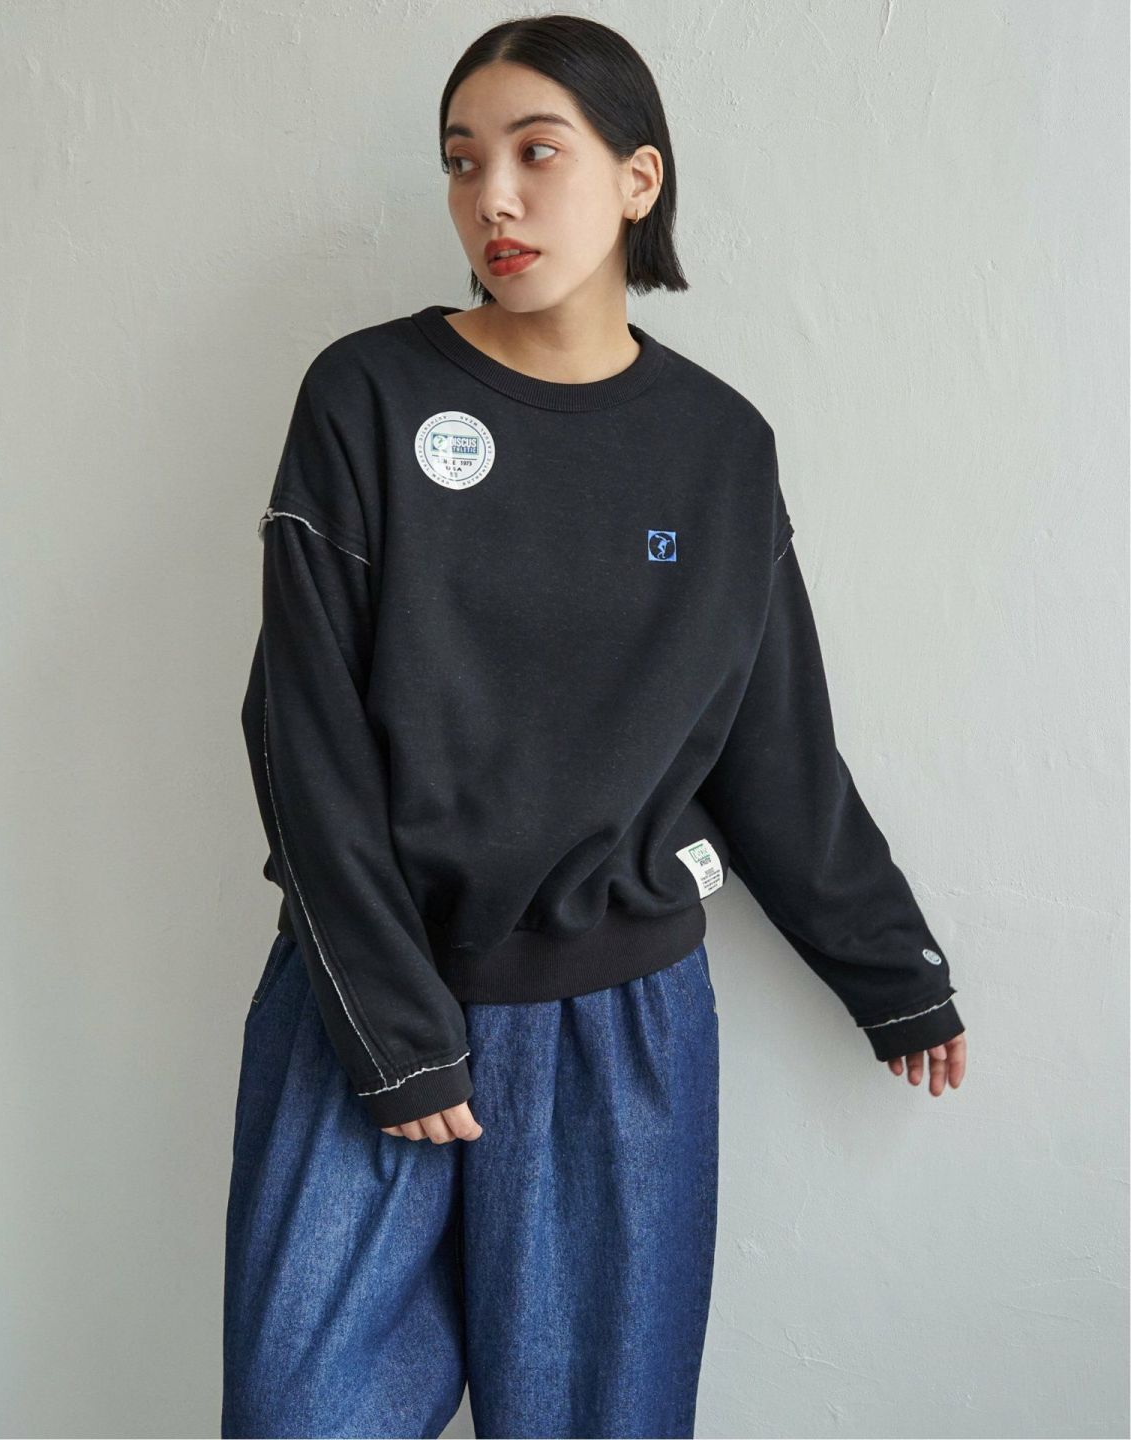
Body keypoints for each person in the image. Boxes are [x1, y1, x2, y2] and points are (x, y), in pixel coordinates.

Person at [222, 15, 968, 1439]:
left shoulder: (718, 446)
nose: (491, 197)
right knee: (298, 1416)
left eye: (536, 152)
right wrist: (395, 1034)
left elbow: (775, 746)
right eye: (462, 162)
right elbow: (299, 736)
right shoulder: (367, 395)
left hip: (618, 1034)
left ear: (638, 178)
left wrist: (894, 974)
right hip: (363, 1012)